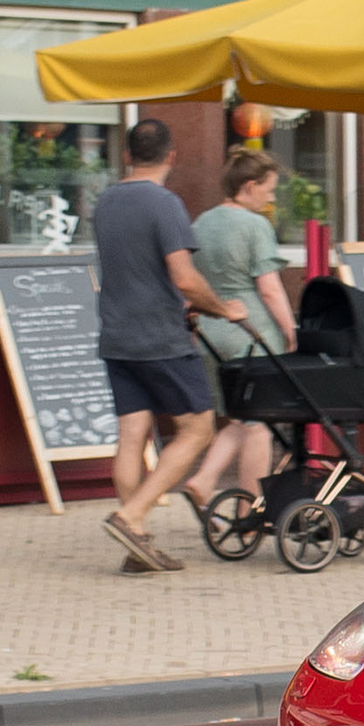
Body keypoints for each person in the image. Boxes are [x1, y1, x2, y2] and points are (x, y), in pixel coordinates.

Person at [92, 118, 246, 573]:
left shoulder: (105, 201)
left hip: (117, 334)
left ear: (126, 156)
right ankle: (132, 515)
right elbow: (183, 276)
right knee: (197, 428)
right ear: (172, 157)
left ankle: (135, 545)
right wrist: (223, 309)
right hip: (159, 336)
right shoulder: (164, 203)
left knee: (132, 435)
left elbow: (136, 269)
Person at [184, 150, 299, 511]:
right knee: (260, 424)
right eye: (268, 188)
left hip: (210, 332)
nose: (271, 197)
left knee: (240, 418)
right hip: (251, 332)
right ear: (249, 186)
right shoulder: (255, 226)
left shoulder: (202, 223)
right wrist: (290, 329)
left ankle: (203, 481)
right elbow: (269, 287)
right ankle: (252, 508)